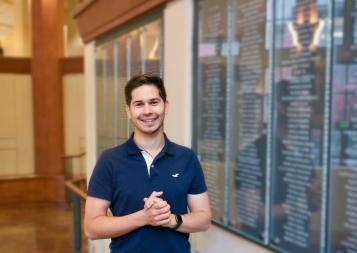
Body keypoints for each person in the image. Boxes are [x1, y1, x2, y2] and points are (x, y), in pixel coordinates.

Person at [84, 73, 211, 253]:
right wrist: (144, 217)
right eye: (139, 104)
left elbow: (204, 219)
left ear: (166, 106)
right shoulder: (109, 161)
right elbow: (91, 227)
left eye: (154, 102)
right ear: (128, 111)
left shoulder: (186, 158)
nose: (147, 111)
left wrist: (171, 220)